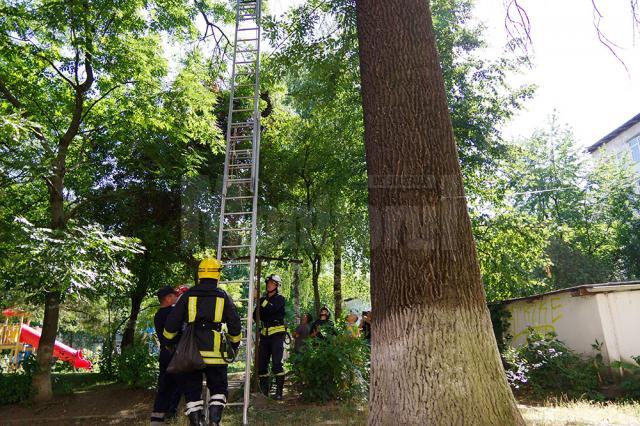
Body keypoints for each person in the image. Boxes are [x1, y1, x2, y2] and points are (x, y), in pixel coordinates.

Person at [163, 259, 242, 426]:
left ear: (200, 274)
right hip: (217, 355)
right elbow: (235, 324)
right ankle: (214, 422)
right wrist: (234, 345)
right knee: (219, 389)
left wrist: (169, 343)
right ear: (217, 275)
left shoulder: (188, 296)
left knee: (192, 391)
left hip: (191, 355)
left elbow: (171, 324)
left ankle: (197, 423)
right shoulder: (223, 296)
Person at [253, 273, 287, 400]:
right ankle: (264, 393)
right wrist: (262, 307)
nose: (269, 285)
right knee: (262, 365)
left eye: (272, 283)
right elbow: (255, 315)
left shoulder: (280, 299)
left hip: (277, 335)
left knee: (277, 364)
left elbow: (269, 311)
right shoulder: (262, 300)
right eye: (268, 282)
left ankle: (279, 393)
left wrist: (263, 305)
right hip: (265, 335)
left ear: (277, 286)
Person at [150, 286, 180, 426]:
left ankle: (157, 418)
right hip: (174, 354)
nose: (176, 297)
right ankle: (171, 413)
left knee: (164, 385)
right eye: (174, 296)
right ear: (168, 298)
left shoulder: (158, 314)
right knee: (179, 384)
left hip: (164, 353)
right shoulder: (173, 312)